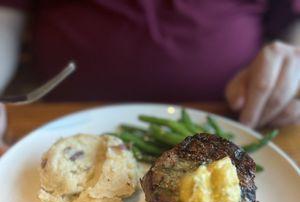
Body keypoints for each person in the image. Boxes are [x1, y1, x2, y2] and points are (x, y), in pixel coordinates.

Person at [0, 0, 299, 149]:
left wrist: (290, 64)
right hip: (57, 126)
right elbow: (7, 16)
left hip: (236, 120)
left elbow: (292, 22)